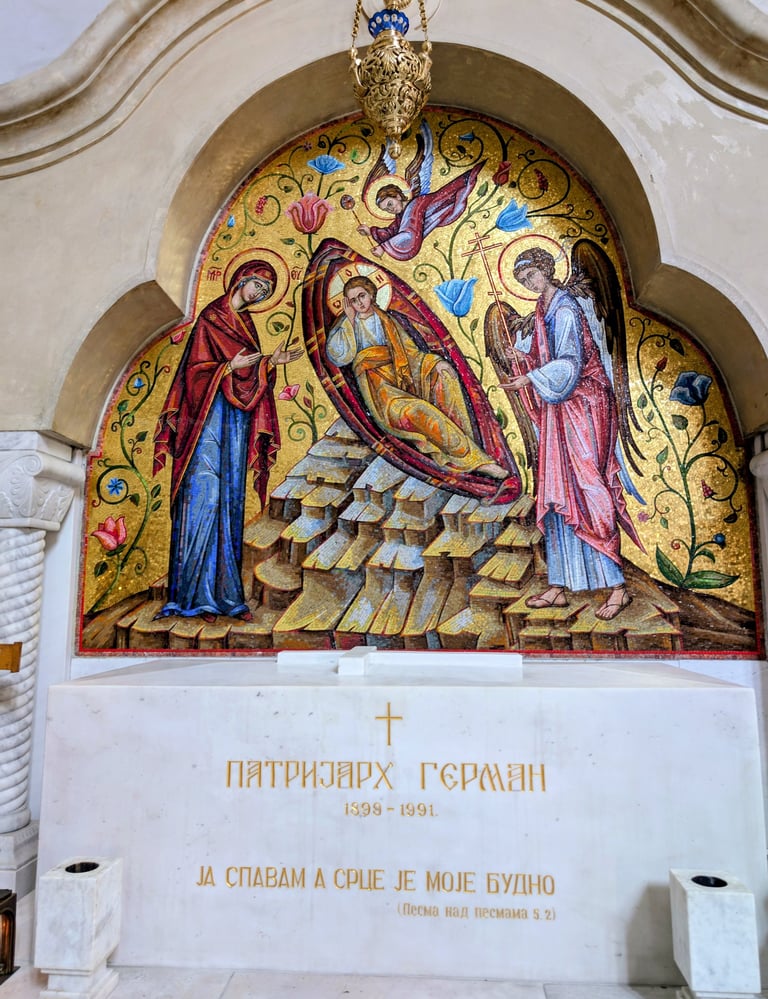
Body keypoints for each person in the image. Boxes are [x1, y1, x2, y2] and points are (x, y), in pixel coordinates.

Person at [153, 259, 301, 622]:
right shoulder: (209, 319)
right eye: (258, 287)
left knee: (229, 504)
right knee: (203, 500)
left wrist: (269, 362)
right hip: (204, 426)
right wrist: (228, 368)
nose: (260, 294)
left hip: (233, 427)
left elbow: (248, 375)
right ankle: (188, 596)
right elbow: (193, 374)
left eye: (266, 292)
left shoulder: (245, 325)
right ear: (241, 280)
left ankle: (225, 596)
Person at [502, 247, 643, 620]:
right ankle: (560, 584)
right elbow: (545, 359)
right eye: (523, 279)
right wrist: (526, 361)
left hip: (583, 404)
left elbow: (569, 365)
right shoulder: (541, 311)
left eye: (532, 275)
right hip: (559, 409)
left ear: (547, 271)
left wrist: (530, 377)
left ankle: (616, 585)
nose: (529, 283)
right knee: (557, 488)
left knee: (588, 485)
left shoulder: (565, 308)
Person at [326, 274, 510, 482]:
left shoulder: (389, 321)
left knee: (445, 381)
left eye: (362, 296)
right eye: (353, 300)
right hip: (381, 391)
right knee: (419, 411)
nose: (359, 303)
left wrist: (435, 363)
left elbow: (411, 354)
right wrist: (349, 321)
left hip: (404, 379)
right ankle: (476, 461)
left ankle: (465, 450)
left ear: (372, 294)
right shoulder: (346, 326)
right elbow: (340, 356)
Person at [356, 160, 484, 261]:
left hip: (447, 203)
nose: (391, 209)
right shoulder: (402, 216)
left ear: (398, 196)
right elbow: (392, 232)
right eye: (386, 209)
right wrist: (370, 231)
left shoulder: (416, 205)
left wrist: (383, 247)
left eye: (390, 203)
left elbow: (410, 235)